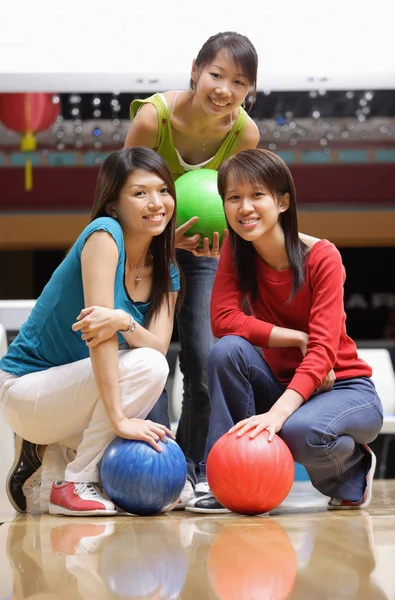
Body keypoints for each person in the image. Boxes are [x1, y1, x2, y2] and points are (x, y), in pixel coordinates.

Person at [186, 148, 384, 513]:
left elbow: (323, 353)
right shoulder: (237, 248)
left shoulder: (323, 257)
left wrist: (276, 416)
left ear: (282, 202)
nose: (245, 207)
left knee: (298, 432)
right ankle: (224, 482)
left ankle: (354, 468)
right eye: (234, 197)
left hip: (344, 387)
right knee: (226, 350)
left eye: (257, 195)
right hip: (283, 384)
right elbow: (223, 320)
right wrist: (293, 337)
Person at [0, 146, 180, 516]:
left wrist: (124, 321)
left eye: (163, 190)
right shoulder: (104, 235)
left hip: (68, 396)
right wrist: (119, 420)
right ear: (113, 204)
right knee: (146, 367)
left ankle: (46, 453)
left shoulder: (166, 268)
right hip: (26, 387)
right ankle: (77, 479)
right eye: (140, 193)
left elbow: (158, 346)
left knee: (150, 363)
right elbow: (99, 339)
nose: (156, 202)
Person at [124, 31, 260, 503]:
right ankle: (154, 463)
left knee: (203, 361)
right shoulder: (152, 118)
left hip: (205, 253)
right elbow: (123, 194)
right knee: (148, 358)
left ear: (250, 91)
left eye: (239, 82)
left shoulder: (244, 133)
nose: (224, 89)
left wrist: (229, 242)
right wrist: (157, 241)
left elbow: (241, 204)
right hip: (148, 248)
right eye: (217, 74)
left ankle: (194, 467)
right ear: (195, 71)